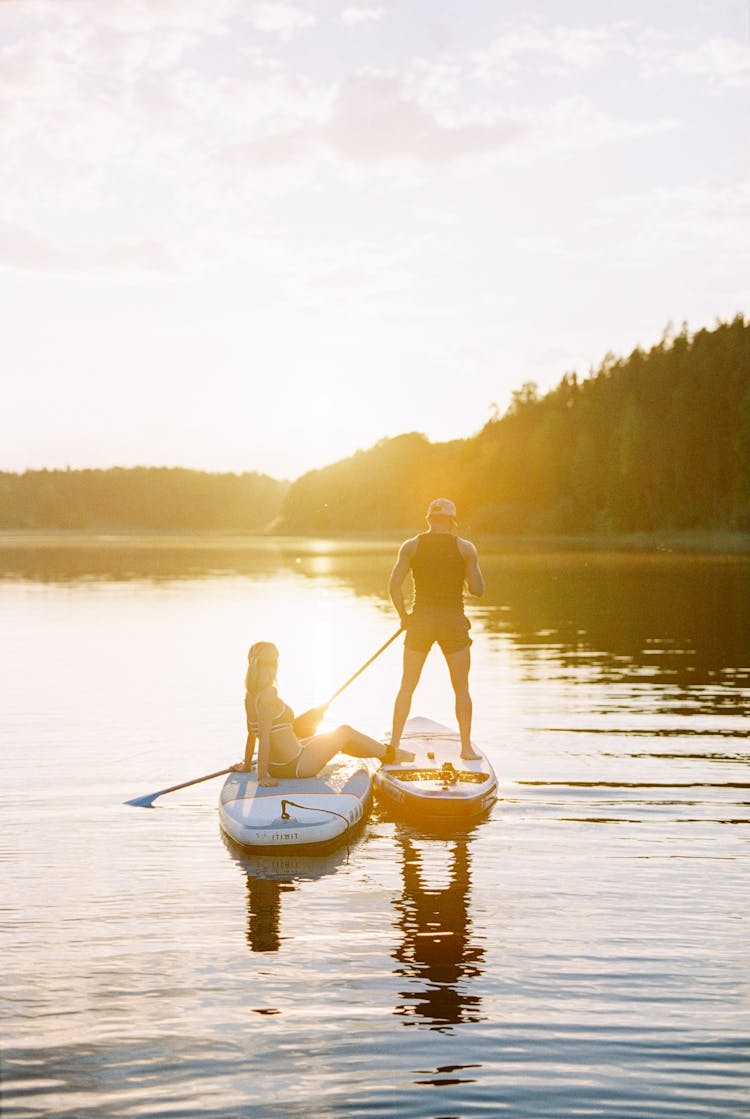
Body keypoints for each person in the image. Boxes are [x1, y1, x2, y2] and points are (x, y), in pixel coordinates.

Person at [234, 641, 411, 786]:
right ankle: (391, 754)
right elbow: (263, 737)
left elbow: (252, 732)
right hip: (296, 765)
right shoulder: (269, 694)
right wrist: (262, 777)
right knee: (345, 731)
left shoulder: (250, 695)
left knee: (328, 737)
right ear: (273, 664)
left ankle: (384, 753)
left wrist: (248, 765)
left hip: (279, 764)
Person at [388, 497, 484, 761]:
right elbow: (477, 591)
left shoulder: (411, 546)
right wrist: (471, 568)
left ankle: (394, 746)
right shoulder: (466, 548)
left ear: (428, 519)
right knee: (461, 688)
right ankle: (465, 748)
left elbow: (393, 586)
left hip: (420, 620)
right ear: (452, 522)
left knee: (406, 686)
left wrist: (404, 617)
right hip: (453, 621)